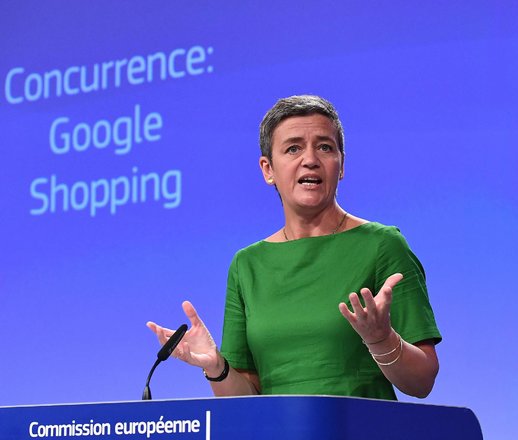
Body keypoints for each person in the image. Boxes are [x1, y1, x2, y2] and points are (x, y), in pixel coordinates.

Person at [147, 95, 440, 400]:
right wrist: (215, 366)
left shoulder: (383, 245)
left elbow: (422, 382)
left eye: (325, 147)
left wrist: (382, 339)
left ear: (341, 165)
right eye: (293, 148)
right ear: (268, 169)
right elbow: (246, 399)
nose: (310, 159)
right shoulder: (247, 264)